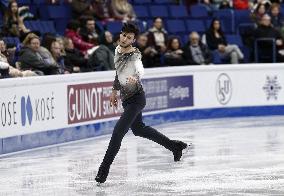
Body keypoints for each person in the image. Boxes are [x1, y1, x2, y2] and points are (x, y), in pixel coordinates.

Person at [95, 22, 189, 184]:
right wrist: (114, 91)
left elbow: (139, 69)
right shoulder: (117, 50)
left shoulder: (135, 54)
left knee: (118, 133)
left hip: (137, 99)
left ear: (133, 40)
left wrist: (136, 76)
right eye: (123, 35)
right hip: (126, 100)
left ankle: (103, 170)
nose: (124, 39)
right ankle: (175, 147)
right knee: (139, 129)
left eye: (129, 37)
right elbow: (118, 73)